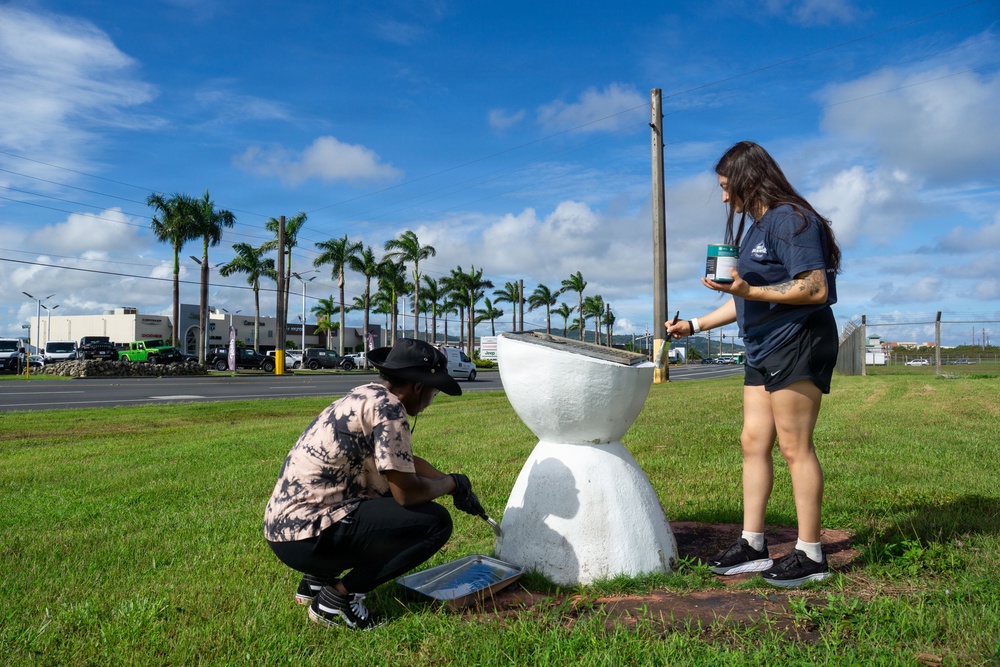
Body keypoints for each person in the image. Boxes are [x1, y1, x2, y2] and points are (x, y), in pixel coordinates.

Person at [667, 140, 842, 589]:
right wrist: (695, 324)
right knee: (752, 441)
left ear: (749, 179)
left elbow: (815, 288)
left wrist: (748, 292)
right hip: (762, 346)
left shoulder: (791, 220)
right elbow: (744, 298)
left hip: (798, 339)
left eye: (727, 187)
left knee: (793, 446)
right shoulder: (755, 227)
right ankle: (753, 544)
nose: (724, 197)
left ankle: (811, 553)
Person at [263, 338, 486, 630]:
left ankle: (316, 582)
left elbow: (400, 460)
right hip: (307, 538)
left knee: (376, 507)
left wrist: (450, 479)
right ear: (418, 387)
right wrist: (451, 485)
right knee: (435, 523)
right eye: (434, 390)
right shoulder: (390, 409)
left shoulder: (366, 396)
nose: (433, 399)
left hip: (284, 530)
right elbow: (407, 494)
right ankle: (337, 601)